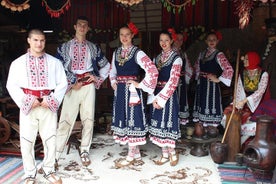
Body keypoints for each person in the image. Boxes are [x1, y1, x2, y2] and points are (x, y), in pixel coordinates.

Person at [6, 29, 67, 184]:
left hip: (48, 104)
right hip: (28, 105)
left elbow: (63, 83)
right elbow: (11, 85)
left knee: (50, 139)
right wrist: (26, 100)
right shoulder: (18, 63)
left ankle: (49, 170)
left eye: (42, 40)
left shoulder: (54, 62)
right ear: (29, 40)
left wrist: (51, 99)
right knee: (27, 140)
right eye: (35, 40)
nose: (39, 44)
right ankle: (30, 174)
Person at [55, 16, 110, 167]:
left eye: (85, 25)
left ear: (88, 28)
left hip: (87, 86)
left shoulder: (93, 47)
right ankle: (55, 155)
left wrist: (95, 78)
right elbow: (58, 69)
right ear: (75, 27)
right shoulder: (64, 47)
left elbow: (106, 65)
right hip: (72, 87)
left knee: (88, 119)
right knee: (65, 120)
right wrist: (72, 83)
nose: (82, 27)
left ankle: (84, 150)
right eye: (80, 24)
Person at [109, 22, 158, 168]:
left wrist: (140, 84)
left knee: (133, 119)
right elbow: (112, 70)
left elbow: (152, 70)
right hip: (120, 91)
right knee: (123, 118)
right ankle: (135, 152)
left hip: (132, 91)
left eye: (127, 35)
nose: (124, 37)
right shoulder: (116, 52)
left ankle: (131, 155)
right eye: (121, 35)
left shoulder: (138, 53)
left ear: (132, 36)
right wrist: (113, 82)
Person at [148, 29, 182, 166]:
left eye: (166, 40)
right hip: (156, 92)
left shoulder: (176, 58)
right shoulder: (156, 58)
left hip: (169, 95)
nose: (163, 43)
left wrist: (161, 99)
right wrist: (153, 98)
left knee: (168, 123)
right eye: (161, 40)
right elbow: (151, 78)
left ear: (172, 41)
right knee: (158, 123)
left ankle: (173, 152)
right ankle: (164, 153)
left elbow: (173, 81)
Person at [222, 51, 269, 145]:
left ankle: (240, 142)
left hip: (257, 103)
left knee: (253, 121)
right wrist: (238, 103)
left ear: (253, 60)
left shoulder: (264, 74)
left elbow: (260, 91)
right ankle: (233, 139)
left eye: (247, 59)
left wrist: (246, 100)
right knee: (229, 112)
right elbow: (239, 89)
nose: (244, 61)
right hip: (243, 101)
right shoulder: (243, 73)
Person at [192, 30, 233, 127]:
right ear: (206, 41)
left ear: (217, 41)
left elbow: (229, 69)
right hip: (202, 84)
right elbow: (197, 67)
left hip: (212, 85)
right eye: (209, 40)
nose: (211, 41)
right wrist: (197, 78)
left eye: (214, 40)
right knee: (202, 103)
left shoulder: (219, 55)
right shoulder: (202, 54)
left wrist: (218, 79)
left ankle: (211, 127)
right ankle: (202, 127)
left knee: (210, 104)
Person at [172, 32, 193, 125]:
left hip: (181, 81)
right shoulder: (169, 52)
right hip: (171, 82)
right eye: (177, 39)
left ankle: (179, 125)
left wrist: (186, 79)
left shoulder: (183, 53)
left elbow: (188, 67)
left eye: (181, 40)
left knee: (181, 101)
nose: (179, 41)